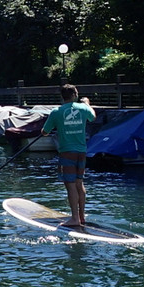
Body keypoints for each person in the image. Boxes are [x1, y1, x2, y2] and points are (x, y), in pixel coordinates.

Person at [42, 83, 97, 226]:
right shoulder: (84, 108)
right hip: (82, 151)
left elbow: (45, 131)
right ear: (74, 95)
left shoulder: (56, 112)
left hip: (67, 152)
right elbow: (93, 116)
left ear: (62, 96)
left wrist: (46, 130)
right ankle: (81, 216)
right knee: (79, 183)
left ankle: (74, 219)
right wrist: (87, 103)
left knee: (70, 185)